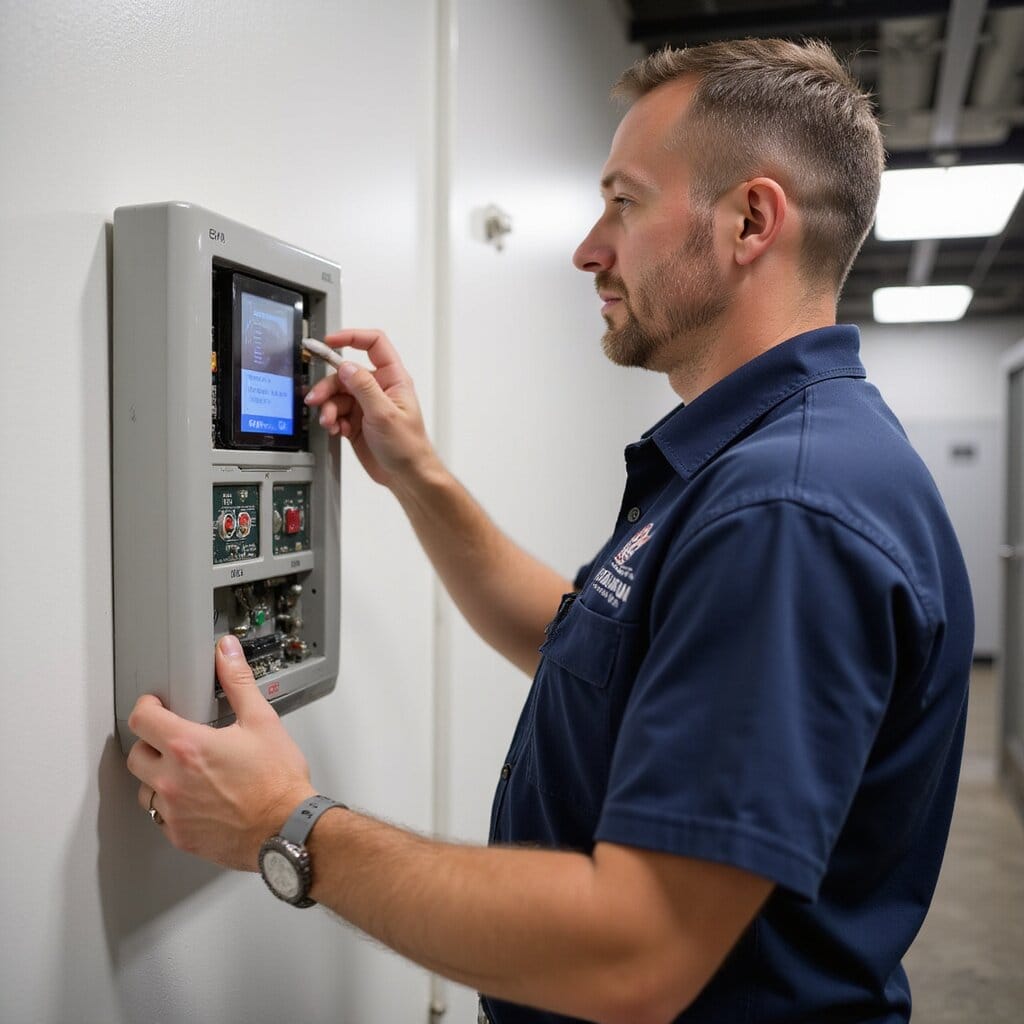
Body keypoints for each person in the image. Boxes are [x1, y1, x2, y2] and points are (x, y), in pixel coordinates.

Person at [127, 38, 973, 1024]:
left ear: (750, 219)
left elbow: (636, 952)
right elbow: (588, 646)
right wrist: (417, 473)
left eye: (624, 201)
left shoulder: (782, 512)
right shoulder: (778, 460)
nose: (586, 248)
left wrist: (290, 825)